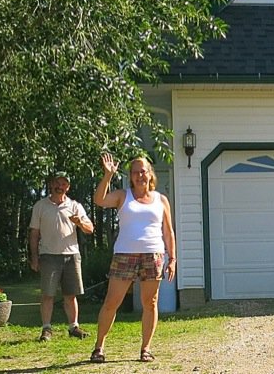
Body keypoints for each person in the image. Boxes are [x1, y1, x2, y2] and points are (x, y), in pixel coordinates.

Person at [90, 153, 176, 364]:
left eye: (143, 171)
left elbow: (168, 231)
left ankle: (145, 348)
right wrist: (107, 175)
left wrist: (172, 258)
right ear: (131, 176)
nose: (140, 175)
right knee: (112, 302)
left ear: (150, 174)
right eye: (135, 172)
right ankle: (99, 347)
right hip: (124, 255)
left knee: (150, 302)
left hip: (153, 254)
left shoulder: (161, 200)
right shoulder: (122, 196)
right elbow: (99, 200)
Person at [28, 173, 94, 342]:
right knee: (47, 294)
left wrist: (79, 222)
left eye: (64, 183)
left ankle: (74, 327)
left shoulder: (75, 206)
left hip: (71, 255)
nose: (60, 186)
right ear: (51, 185)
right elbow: (34, 234)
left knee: (70, 295)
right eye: (57, 183)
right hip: (48, 255)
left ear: (68, 187)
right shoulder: (40, 206)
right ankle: (46, 329)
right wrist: (34, 257)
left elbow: (90, 228)